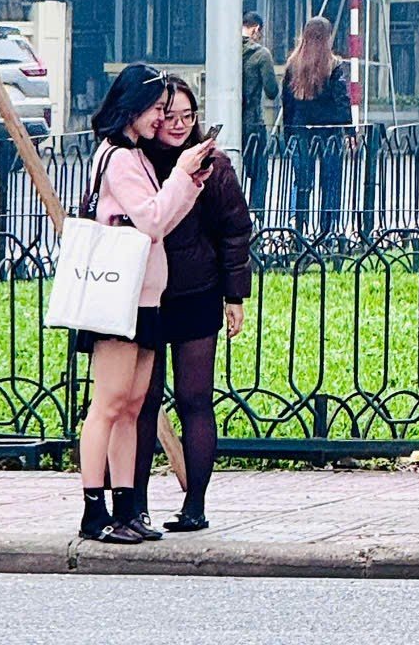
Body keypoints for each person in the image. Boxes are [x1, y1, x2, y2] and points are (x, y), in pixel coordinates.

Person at [72, 63, 213, 546]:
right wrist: (181, 176)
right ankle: (96, 509)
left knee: (133, 406)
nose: (162, 118)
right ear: (132, 109)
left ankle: (127, 508)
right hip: (118, 298)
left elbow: (162, 222)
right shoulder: (118, 158)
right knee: (109, 404)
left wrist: (190, 181)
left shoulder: (136, 158)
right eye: (156, 109)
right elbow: (150, 221)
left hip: (143, 297)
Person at [131, 78, 253, 533]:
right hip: (145, 295)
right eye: (170, 117)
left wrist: (234, 295)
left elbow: (234, 231)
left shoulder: (213, 165)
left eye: (188, 116)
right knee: (142, 402)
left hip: (197, 290)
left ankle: (195, 504)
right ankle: (134, 503)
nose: (180, 125)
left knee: (194, 399)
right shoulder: (135, 162)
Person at [280, 17, 353, 242]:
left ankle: (297, 226)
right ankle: (327, 229)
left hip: (301, 129)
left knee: (302, 180)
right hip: (328, 131)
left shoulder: (293, 64)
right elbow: (342, 100)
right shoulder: (333, 65)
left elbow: (287, 102)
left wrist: (288, 132)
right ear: (328, 37)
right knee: (330, 181)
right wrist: (349, 132)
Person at [241, 13, 279, 217]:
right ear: (256, 29)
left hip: (229, 123)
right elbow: (272, 90)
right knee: (259, 173)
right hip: (252, 123)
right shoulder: (261, 55)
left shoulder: (225, 49)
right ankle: (257, 217)